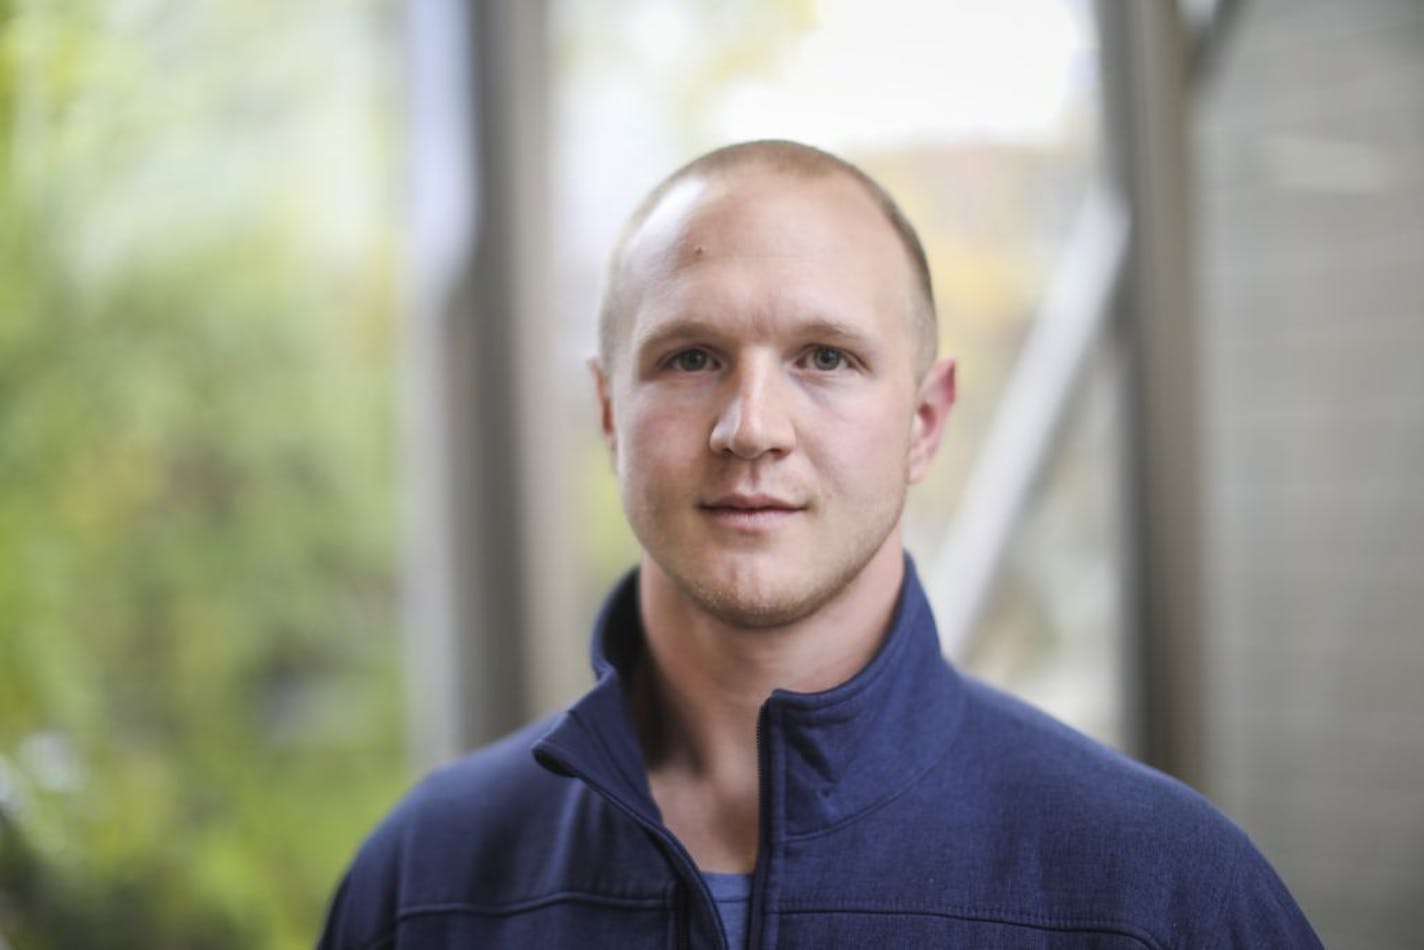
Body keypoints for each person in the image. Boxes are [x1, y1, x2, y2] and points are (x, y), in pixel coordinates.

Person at [318, 140, 1320, 948]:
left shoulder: (1155, 889)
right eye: (691, 356)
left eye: (824, 357)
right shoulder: (426, 880)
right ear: (607, 408)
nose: (749, 425)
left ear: (924, 420)